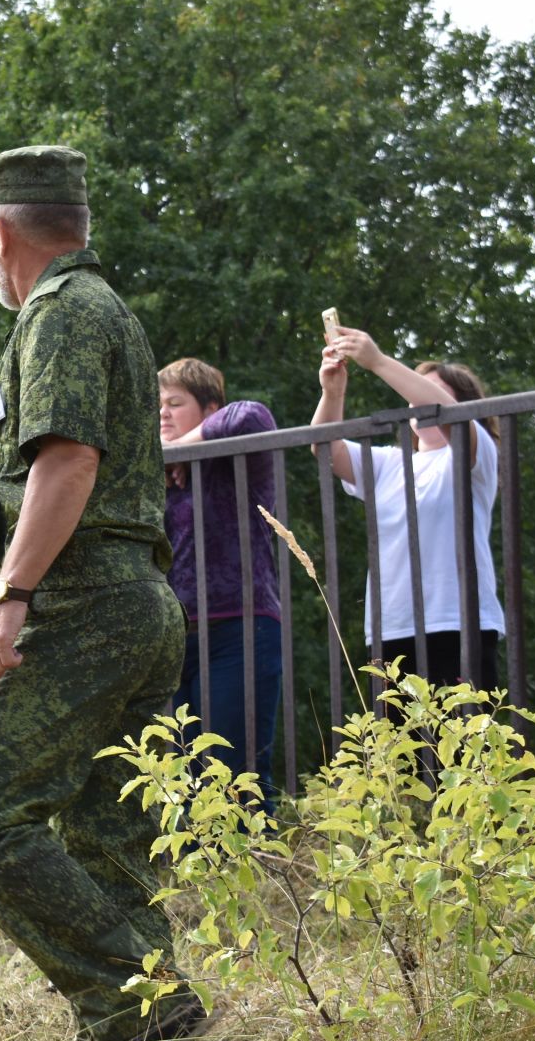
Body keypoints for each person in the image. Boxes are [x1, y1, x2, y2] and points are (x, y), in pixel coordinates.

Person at [0, 146, 198, 1041]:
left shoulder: (58, 314)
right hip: (138, 601)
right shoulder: (109, 310)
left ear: (0, 231)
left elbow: (67, 461)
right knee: (105, 832)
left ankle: (143, 1005)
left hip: (82, 602)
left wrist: (10, 595)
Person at [312, 328, 503, 688]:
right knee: (401, 745)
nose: (417, 400)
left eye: (425, 390)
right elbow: (325, 452)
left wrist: (378, 361)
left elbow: (455, 418)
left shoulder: (474, 455)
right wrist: (332, 392)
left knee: (465, 744)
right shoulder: (390, 464)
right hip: (392, 628)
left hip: (457, 623)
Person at [158, 358, 284, 807]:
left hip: (240, 628)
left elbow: (252, 414)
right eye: (159, 406)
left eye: (176, 402)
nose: (164, 414)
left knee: (236, 772)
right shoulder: (157, 477)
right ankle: (202, 878)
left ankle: (260, 875)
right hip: (175, 639)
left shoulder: (236, 458)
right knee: (186, 775)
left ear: (209, 408)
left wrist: (183, 449)